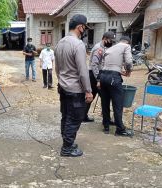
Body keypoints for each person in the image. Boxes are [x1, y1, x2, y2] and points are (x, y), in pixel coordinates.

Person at [55, 14, 93, 157]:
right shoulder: (78, 45)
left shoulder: (60, 43)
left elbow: (57, 68)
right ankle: (67, 148)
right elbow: (83, 71)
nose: (84, 30)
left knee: (65, 115)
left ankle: (67, 142)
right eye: (84, 27)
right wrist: (88, 91)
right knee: (75, 117)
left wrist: (62, 81)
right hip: (75, 89)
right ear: (80, 27)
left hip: (63, 87)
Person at [99, 36, 133, 136]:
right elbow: (128, 62)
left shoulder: (110, 48)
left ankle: (106, 125)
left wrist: (120, 72)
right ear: (128, 42)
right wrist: (128, 71)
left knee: (105, 102)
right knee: (118, 104)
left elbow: (108, 66)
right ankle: (120, 129)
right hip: (113, 78)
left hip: (103, 76)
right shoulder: (126, 46)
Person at [83, 31, 116, 122]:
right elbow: (94, 64)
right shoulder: (99, 48)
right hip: (95, 75)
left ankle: (83, 115)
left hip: (95, 74)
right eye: (110, 40)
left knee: (92, 95)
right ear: (105, 39)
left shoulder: (103, 47)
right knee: (105, 97)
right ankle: (106, 119)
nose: (111, 42)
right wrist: (98, 78)